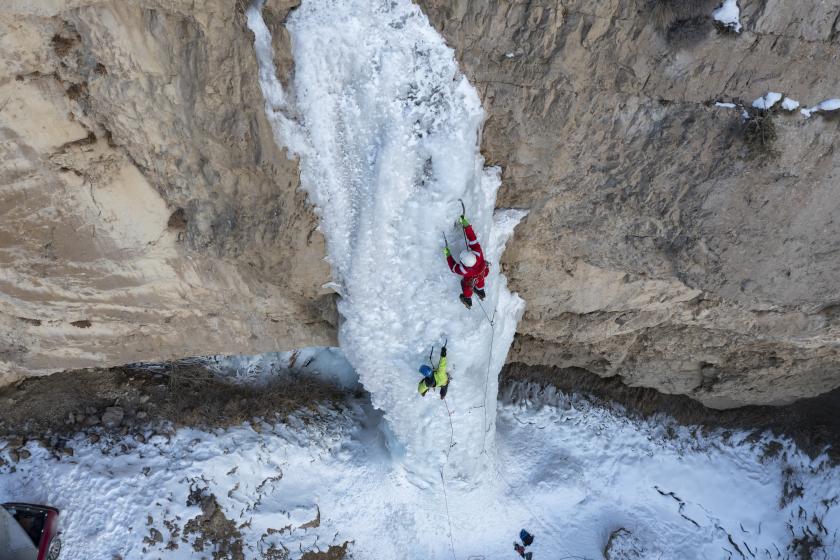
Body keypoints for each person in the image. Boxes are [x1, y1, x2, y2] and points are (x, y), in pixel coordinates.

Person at [443, 214, 488, 309]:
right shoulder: (478, 253)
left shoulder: (465, 270)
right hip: (482, 272)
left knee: (467, 286)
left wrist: (448, 254)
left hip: (472, 277)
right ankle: (480, 291)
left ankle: (467, 298)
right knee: (480, 280)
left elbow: (453, 267)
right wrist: (466, 225)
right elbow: (472, 238)